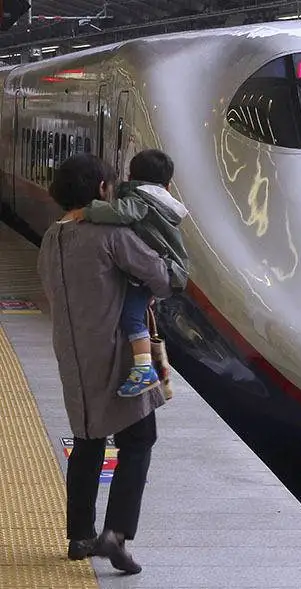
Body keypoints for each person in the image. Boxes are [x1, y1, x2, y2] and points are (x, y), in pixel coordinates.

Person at [37, 153, 176, 575]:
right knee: (139, 440)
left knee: (87, 441)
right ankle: (115, 534)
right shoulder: (109, 234)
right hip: (118, 357)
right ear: (102, 190)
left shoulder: (50, 238)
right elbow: (160, 276)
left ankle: (79, 535)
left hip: (73, 359)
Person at [68, 149, 189, 398]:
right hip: (165, 268)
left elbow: (122, 212)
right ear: (167, 183)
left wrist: (88, 212)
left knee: (131, 318)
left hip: (162, 269)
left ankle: (144, 369)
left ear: (131, 176)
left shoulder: (140, 199)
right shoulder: (162, 200)